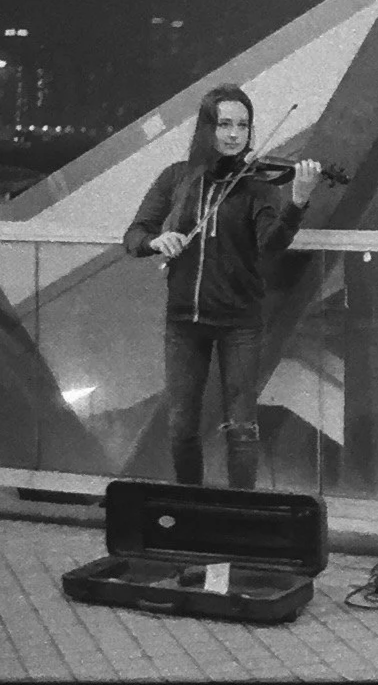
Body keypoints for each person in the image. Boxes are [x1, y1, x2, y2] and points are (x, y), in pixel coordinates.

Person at [123, 83, 324, 490]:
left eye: (243, 125)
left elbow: (271, 246)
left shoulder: (258, 186)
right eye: (225, 124)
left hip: (239, 322)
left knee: (241, 426)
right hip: (184, 320)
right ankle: (190, 505)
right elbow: (134, 234)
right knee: (181, 424)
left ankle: (240, 514)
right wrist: (155, 241)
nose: (234, 134)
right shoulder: (177, 179)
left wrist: (298, 203)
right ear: (206, 128)